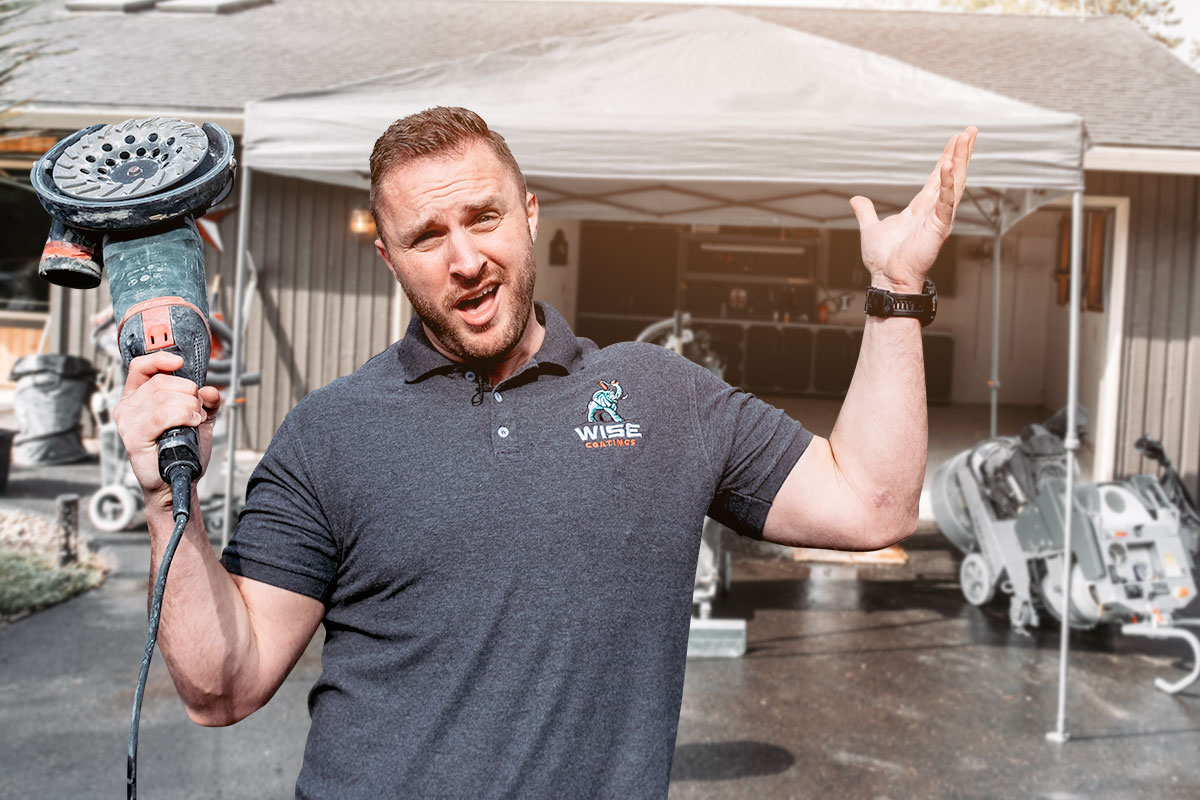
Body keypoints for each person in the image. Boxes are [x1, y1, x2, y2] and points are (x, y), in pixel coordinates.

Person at [114, 107, 976, 798]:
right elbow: (221, 686)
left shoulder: (661, 397)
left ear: (529, 216)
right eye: (425, 236)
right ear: (389, 257)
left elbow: (874, 502)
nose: (464, 258)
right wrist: (163, 499)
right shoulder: (329, 432)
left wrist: (895, 294)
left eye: (484, 216)